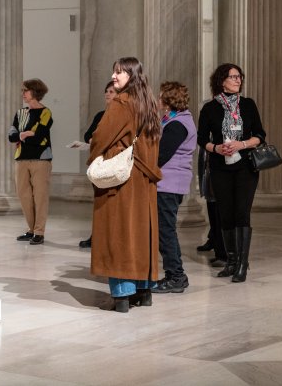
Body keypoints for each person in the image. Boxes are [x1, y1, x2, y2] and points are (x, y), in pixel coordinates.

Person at [88, 57, 162, 313]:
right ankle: (144, 290)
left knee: (118, 233)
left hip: (123, 180)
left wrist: (96, 155)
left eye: (119, 72)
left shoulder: (122, 103)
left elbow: (100, 136)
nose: (114, 76)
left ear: (132, 75)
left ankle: (122, 295)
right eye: (114, 71)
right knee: (140, 234)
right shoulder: (150, 103)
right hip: (144, 179)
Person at [197, 63, 265, 283]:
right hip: (220, 167)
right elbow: (201, 139)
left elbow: (260, 136)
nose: (238, 80)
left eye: (239, 77)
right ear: (221, 80)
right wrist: (216, 148)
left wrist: (242, 144)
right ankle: (232, 261)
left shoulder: (248, 105)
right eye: (233, 77)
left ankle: (243, 264)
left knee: (241, 213)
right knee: (224, 213)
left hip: (246, 167)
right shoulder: (209, 108)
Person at [152, 81, 197, 294]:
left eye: (161, 96)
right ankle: (173, 274)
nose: (158, 99)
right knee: (163, 230)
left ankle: (176, 276)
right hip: (165, 183)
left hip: (169, 184)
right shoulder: (171, 119)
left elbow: (161, 155)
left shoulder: (179, 124)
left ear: (169, 100)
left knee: (165, 231)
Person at [9, 78, 53, 245]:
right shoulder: (20, 113)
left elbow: (40, 135)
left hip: (41, 159)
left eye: (25, 90)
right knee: (24, 196)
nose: (23, 94)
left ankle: (39, 232)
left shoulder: (46, 112)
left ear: (35, 92)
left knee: (40, 196)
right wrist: (25, 134)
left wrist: (23, 135)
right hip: (21, 159)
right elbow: (11, 135)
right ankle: (31, 229)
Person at [79, 81, 117, 248]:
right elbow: (88, 134)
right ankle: (96, 236)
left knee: (113, 204)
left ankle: (111, 238)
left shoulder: (122, 116)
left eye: (111, 91)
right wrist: (92, 139)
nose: (107, 94)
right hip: (98, 163)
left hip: (114, 163)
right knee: (99, 202)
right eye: (106, 91)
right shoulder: (100, 115)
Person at [197, 136, 227, 267]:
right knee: (213, 214)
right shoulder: (207, 136)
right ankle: (215, 242)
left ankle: (224, 254)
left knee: (219, 217)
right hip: (209, 177)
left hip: (219, 179)